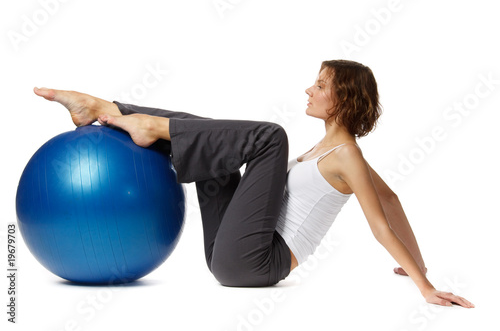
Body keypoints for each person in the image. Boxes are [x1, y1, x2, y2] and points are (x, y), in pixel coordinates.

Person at [34, 59, 474, 308]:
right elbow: (393, 198)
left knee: (269, 137)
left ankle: (143, 124)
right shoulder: (328, 151)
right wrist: (420, 264)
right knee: (214, 144)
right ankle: (107, 106)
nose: (308, 89)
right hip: (228, 255)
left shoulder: (347, 157)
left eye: (320, 85)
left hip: (257, 263)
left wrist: (423, 285)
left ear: (343, 100)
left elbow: (380, 222)